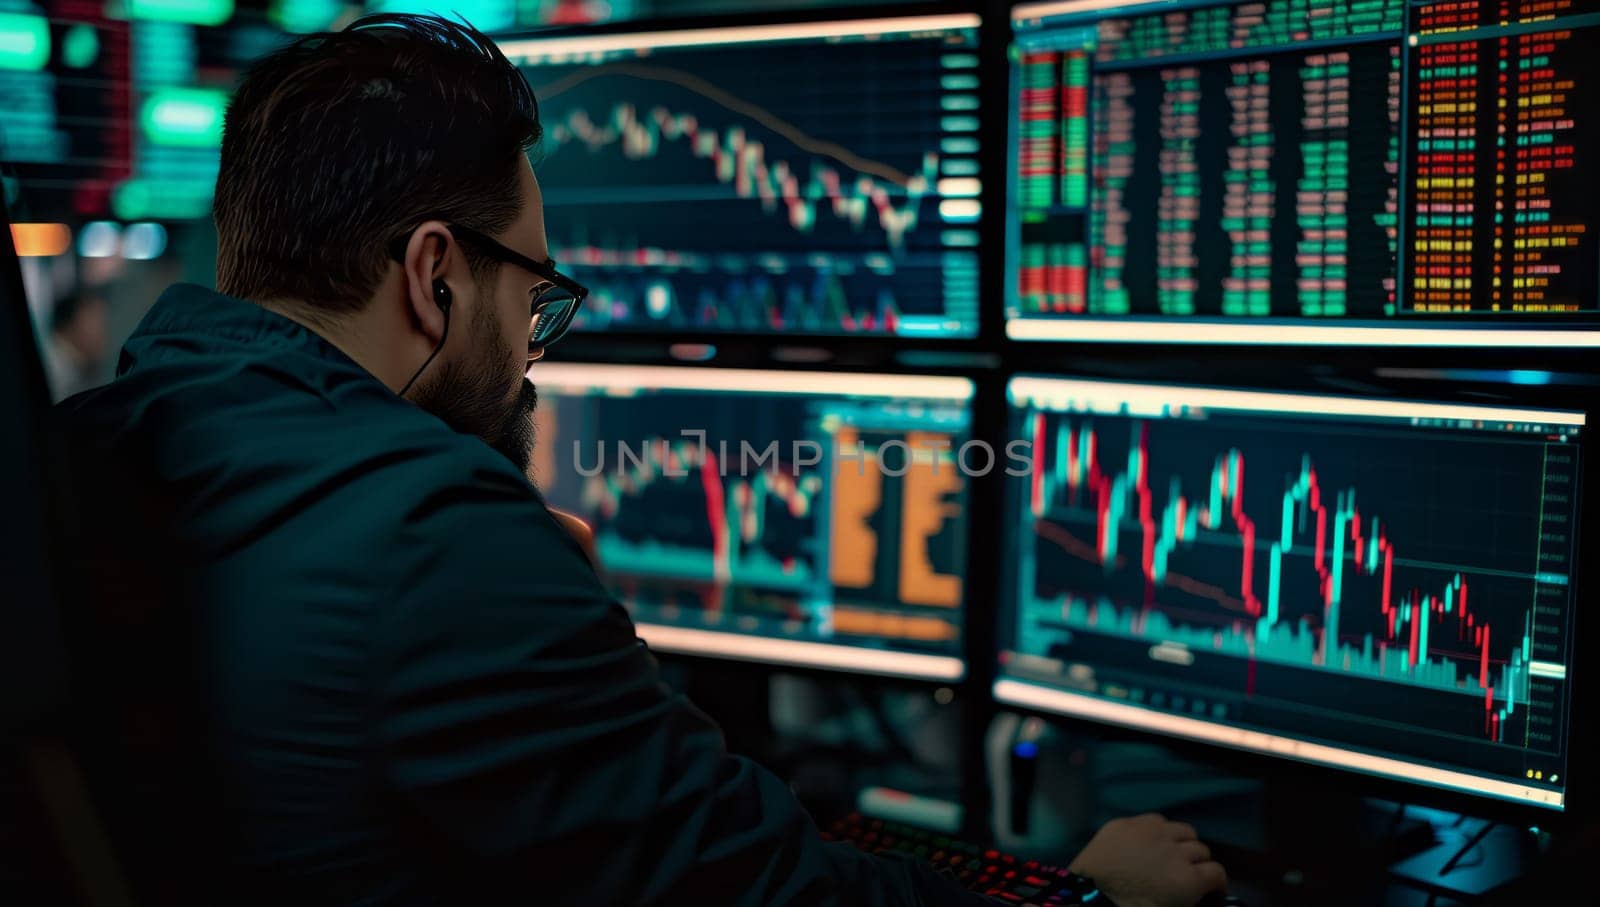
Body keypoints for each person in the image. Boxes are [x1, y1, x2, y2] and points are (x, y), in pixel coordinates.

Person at [52, 14, 1227, 906]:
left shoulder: (91, 454)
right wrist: (1090, 893)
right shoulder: (436, 527)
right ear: (433, 274)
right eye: (536, 296)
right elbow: (770, 892)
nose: (532, 353)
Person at [42, 287, 108, 401]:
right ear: (72, 321)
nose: (102, 333)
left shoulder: (71, 370)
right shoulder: (54, 369)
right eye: (94, 320)